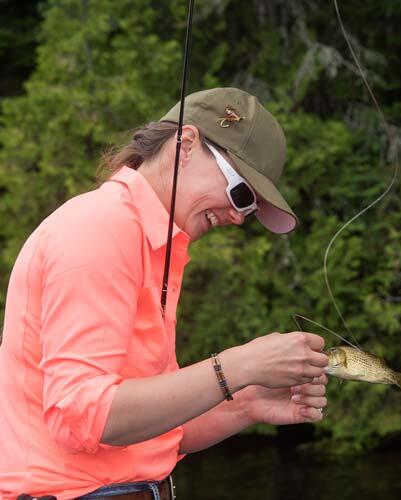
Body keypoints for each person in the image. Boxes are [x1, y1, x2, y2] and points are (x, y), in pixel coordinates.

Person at [0, 88, 329, 500]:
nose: (238, 217)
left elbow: (148, 433)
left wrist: (246, 403)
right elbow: (84, 416)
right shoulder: (102, 227)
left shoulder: (154, 243)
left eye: (249, 209)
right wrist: (237, 366)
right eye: (241, 193)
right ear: (185, 145)